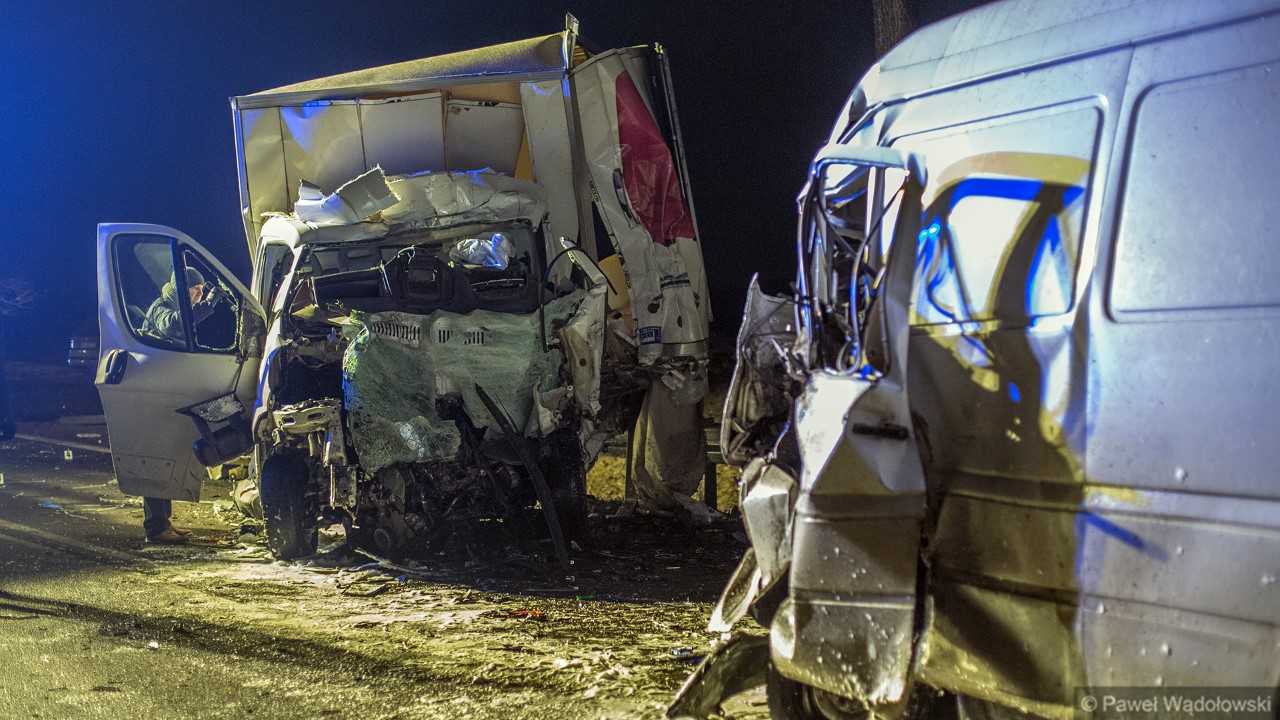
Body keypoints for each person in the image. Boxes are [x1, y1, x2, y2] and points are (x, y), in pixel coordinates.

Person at [139, 266, 224, 544]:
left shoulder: (180, 310)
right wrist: (208, 306)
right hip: (154, 395)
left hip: (167, 390)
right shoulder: (161, 308)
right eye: (194, 290)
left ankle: (162, 523)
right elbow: (173, 325)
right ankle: (156, 526)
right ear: (179, 288)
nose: (198, 295)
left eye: (201, 291)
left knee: (166, 459)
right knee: (156, 459)